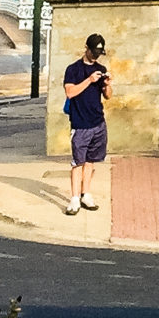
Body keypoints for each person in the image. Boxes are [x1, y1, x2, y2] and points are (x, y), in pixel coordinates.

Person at [63, 33, 110, 214]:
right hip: (80, 123)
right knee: (77, 163)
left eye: (99, 53)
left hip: (98, 122)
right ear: (86, 48)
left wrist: (106, 84)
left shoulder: (100, 67)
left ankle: (86, 194)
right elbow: (70, 92)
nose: (96, 56)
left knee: (90, 161)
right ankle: (74, 198)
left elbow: (108, 96)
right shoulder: (73, 69)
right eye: (94, 52)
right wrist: (89, 80)